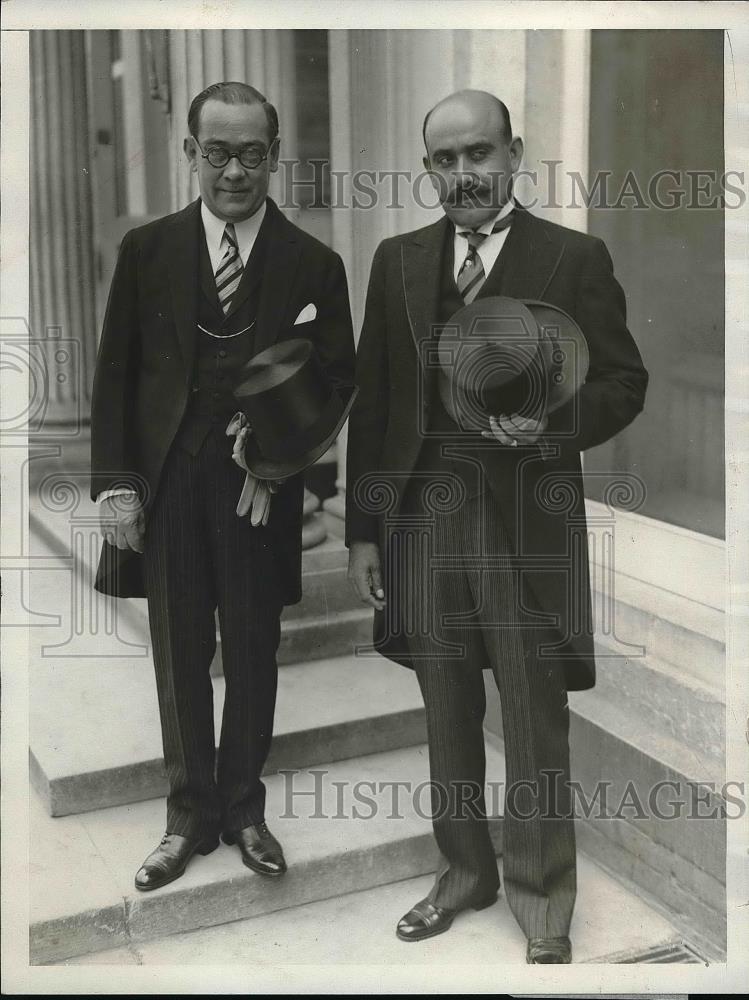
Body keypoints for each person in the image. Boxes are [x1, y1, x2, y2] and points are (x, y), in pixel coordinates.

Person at [345, 89, 648, 963]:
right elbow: (376, 399)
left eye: (478, 153)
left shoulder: (572, 256)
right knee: (444, 708)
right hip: (422, 519)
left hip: (523, 520)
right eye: (444, 160)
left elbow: (623, 382)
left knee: (531, 709)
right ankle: (465, 870)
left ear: (515, 152)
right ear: (427, 170)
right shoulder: (397, 261)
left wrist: (553, 426)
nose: (463, 175)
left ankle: (543, 897)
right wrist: (367, 529)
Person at [90, 82, 355, 891]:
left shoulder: (314, 262)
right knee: (178, 653)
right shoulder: (148, 250)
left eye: (250, 154)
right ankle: (187, 816)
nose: (233, 171)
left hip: (257, 492)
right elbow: (116, 377)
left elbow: (338, 380)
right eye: (217, 153)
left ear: (273, 156)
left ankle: (244, 810)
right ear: (190, 154)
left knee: (253, 648)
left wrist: (289, 461)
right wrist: (116, 487)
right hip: (169, 483)